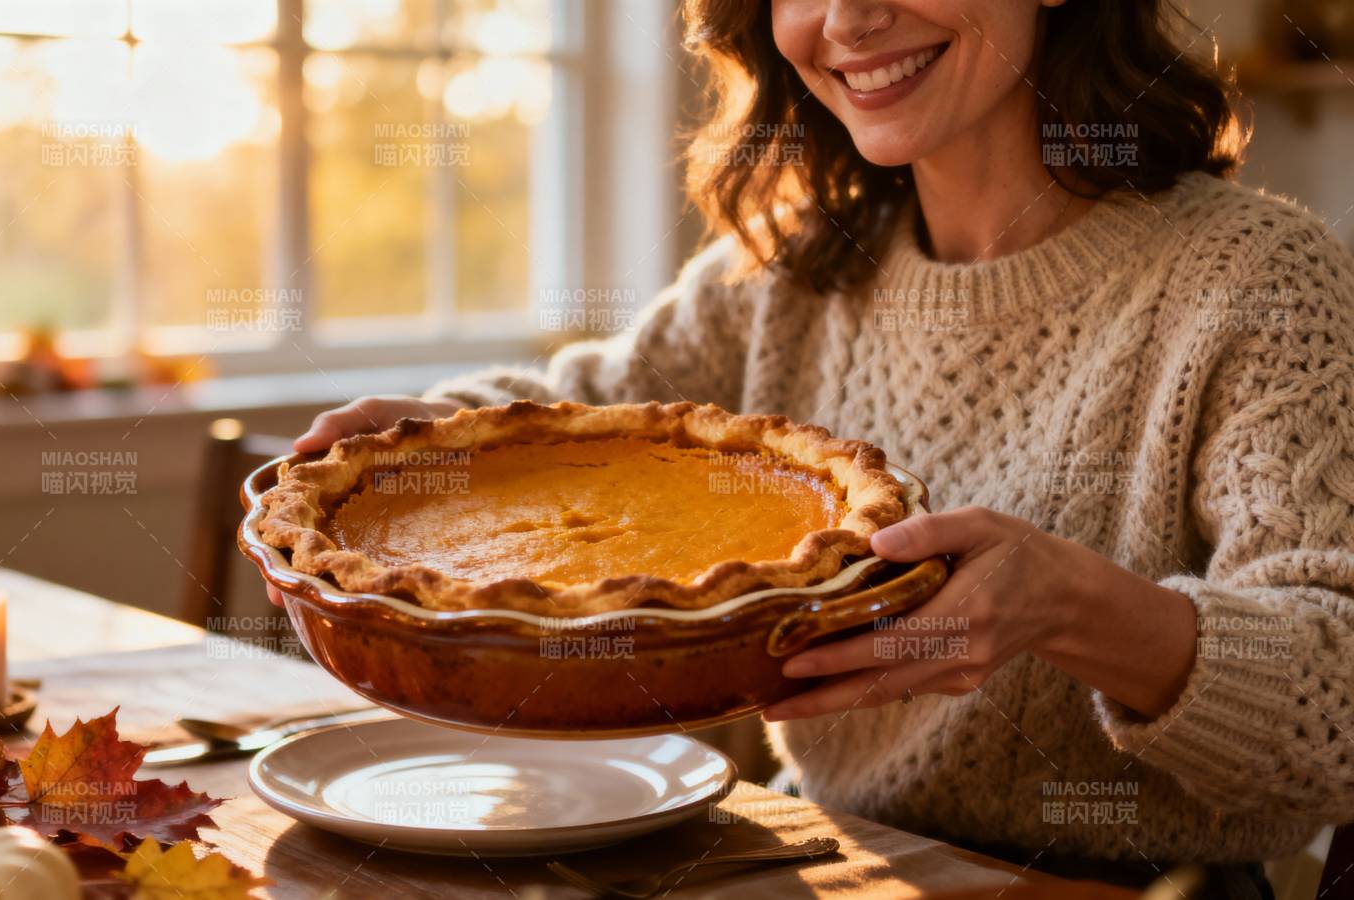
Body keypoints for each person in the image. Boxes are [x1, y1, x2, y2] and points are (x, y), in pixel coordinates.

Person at [283, 1, 1354, 894]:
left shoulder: (1257, 279)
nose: (848, 19)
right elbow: (588, 411)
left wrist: (1072, 608)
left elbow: (1340, 704)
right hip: (818, 865)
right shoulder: (797, 267)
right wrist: (429, 437)